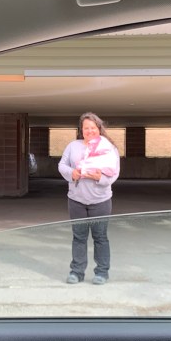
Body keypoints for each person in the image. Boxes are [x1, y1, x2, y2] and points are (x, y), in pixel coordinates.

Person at [58, 112, 120, 285]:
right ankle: (77, 272)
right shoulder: (73, 146)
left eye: (93, 127)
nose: (90, 131)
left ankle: (102, 272)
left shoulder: (109, 148)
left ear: (99, 128)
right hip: (76, 200)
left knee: (100, 237)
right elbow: (62, 165)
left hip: (101, 201)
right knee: (79, 237)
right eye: (86, 128)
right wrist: (72, 173)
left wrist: (100, 178)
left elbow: (114, 173)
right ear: (81, 130)